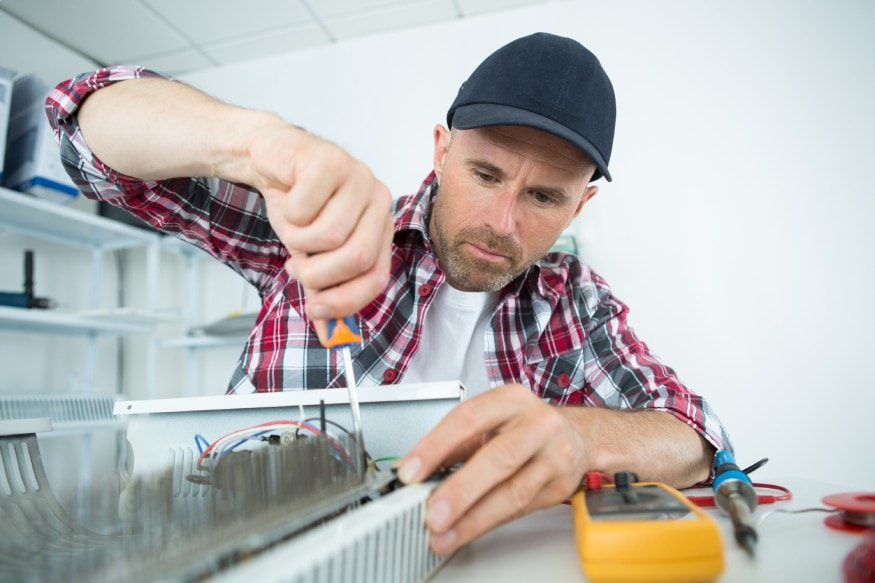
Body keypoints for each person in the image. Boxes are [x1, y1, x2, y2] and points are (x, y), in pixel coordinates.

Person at [47, 32, 731, 555]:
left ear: (578, 207)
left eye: (544, 196)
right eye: (485, 173)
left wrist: (581, 438)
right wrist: (256, 147)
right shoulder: (324, 227)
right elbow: (83, 132)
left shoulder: (571, 299)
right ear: (440, 150)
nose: (501, 222)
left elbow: (695, 434)